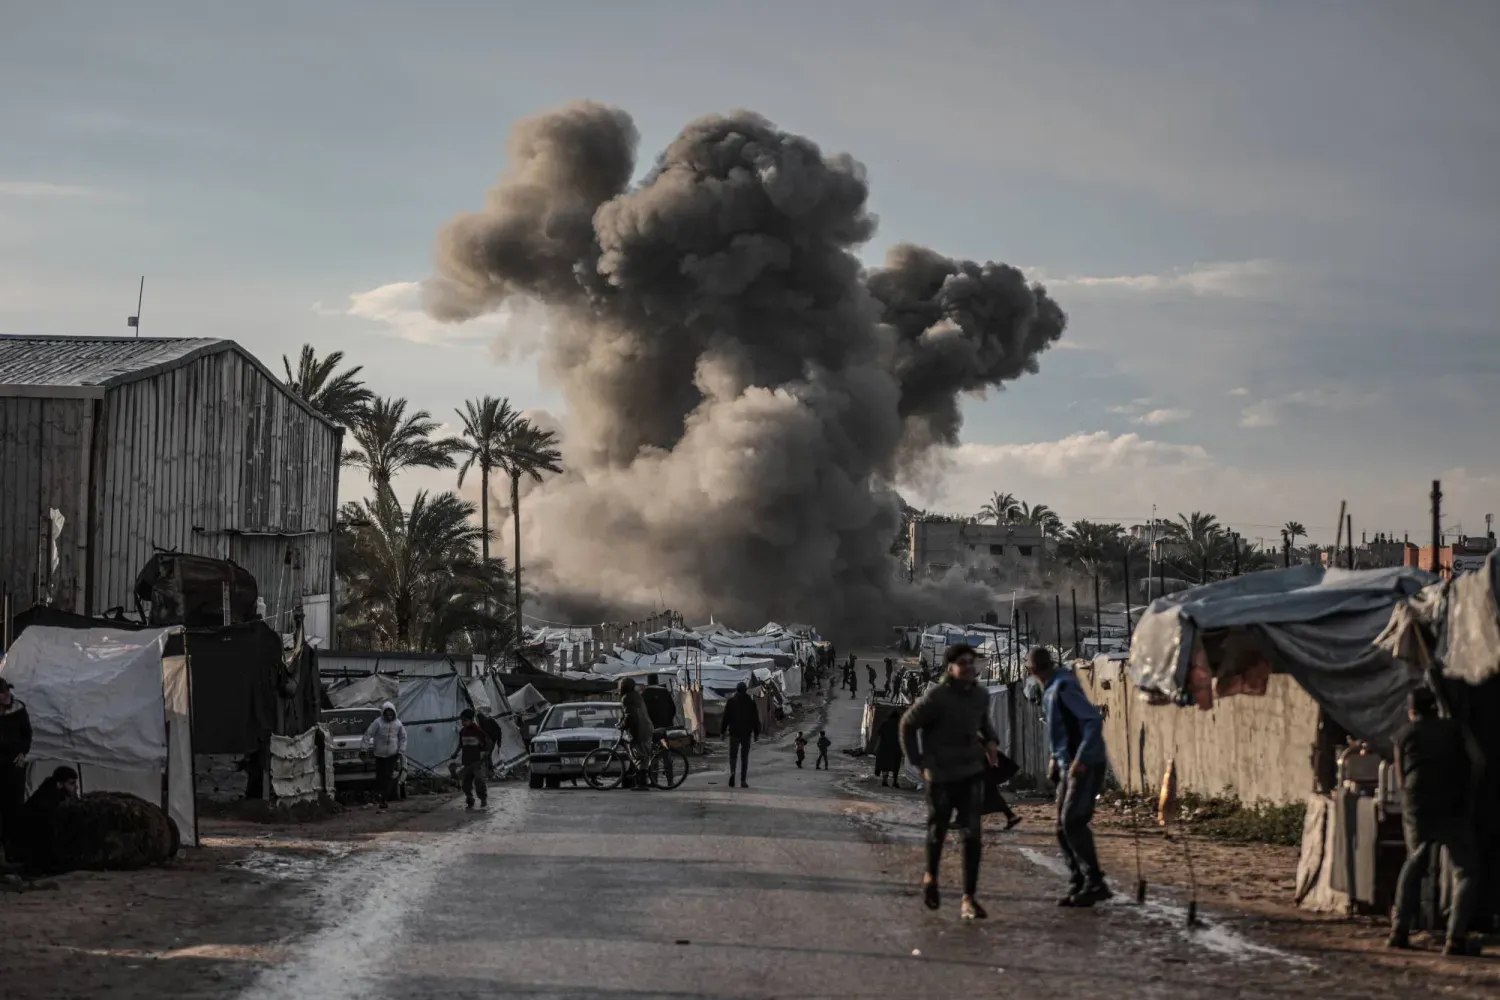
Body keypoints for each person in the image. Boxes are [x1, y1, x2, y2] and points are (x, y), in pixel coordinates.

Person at [900, 643, 1000, 921]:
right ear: (951, 667)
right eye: (962, 663)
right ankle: (931, 877)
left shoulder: (981, 695)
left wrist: (991, 741)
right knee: (938, 830)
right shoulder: (937, 697)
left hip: (971, 772)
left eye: (971, 662)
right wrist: (917, 761)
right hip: (942, 775)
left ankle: (969, 898)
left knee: (973, 835)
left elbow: (984, 723)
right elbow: (908, 724)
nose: (968, 667)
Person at [1389, 688, 1479, 956]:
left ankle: (1399, 931)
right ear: (1435, 708)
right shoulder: (1455, 728)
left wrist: (1409, 800)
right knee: (1466, 871)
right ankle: (1455, 938)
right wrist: (1469, 791)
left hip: (1417, 803)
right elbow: (1479, 761)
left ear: (1411, 711)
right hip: (1452, 803)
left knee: (1415, 861)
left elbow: (1400, 777)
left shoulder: (1403, 734)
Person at [1029, 646, 1111, 907]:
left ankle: (1094, 881)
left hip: (1085, 764)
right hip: (1069, 764)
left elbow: (1092, 720)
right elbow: (1062, 729)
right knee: (1062, 826)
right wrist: (1056, 758)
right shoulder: (1052, 688)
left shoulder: (1063, 686)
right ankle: (1079, 881)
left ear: (1031, 670)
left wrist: (1081, 758)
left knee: (1072, 821)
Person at [0, 677, 33, 862]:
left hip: (13, 766)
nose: (6, 695)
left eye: (7, 691)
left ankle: (12, 851)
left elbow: (27, 735)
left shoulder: (18, 710)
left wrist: (22, 752)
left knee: (13, 808)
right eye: (2, 693)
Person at [361, 701, 407, 810]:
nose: (389, 716)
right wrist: (364, 748)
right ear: (384, 714)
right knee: (380, 777)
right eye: (387, 714)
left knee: (388, 776)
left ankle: (384, 798)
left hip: (392, 754)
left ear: (394, 714)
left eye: (391, 714)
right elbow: (368, 734)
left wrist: (401, 751)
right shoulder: (378, 723)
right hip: (379, 754)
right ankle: (379, 795)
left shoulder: (398, 724)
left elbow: (403, 738)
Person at [721, 681, 761, 788]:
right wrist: (756, 733)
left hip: (734, 732)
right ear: (746, 690)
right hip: (746, 733)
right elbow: (755, 718)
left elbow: (726, 717)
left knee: (733, 756)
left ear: (737, 690)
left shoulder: (731, 702)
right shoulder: (750, 702)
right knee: (744, 757)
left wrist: (722, 732)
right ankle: (743, 780)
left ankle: (733, 772)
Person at [618, 678, 656, 791]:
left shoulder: (627, 698)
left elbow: (630, 716)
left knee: (640, 757)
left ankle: (642, 784)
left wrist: (622, 725)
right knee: (641, 756)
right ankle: (640, 781)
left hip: (639, 730)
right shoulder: (636, 696)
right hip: (646, 727)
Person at [455, 709, 492, 810]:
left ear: (471, 720)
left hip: (477, 762)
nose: (463, 722)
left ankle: (483, 799)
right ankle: (470, 798)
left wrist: (484, 755)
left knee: (479, 781)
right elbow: (461, 744)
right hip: (467, 762)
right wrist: (455, 753)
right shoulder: (462, 732)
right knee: (466, 784)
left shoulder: (478, 731)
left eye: (465, 720)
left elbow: (488, 744)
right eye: (462, 720)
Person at [874, 710, 905, 788]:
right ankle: (895, 782)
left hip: (885, 747)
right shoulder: (900, 724)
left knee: (885, 764)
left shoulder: (885, 723)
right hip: (896, 747)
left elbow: (879, 733)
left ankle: (885, 780)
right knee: (896, 765)